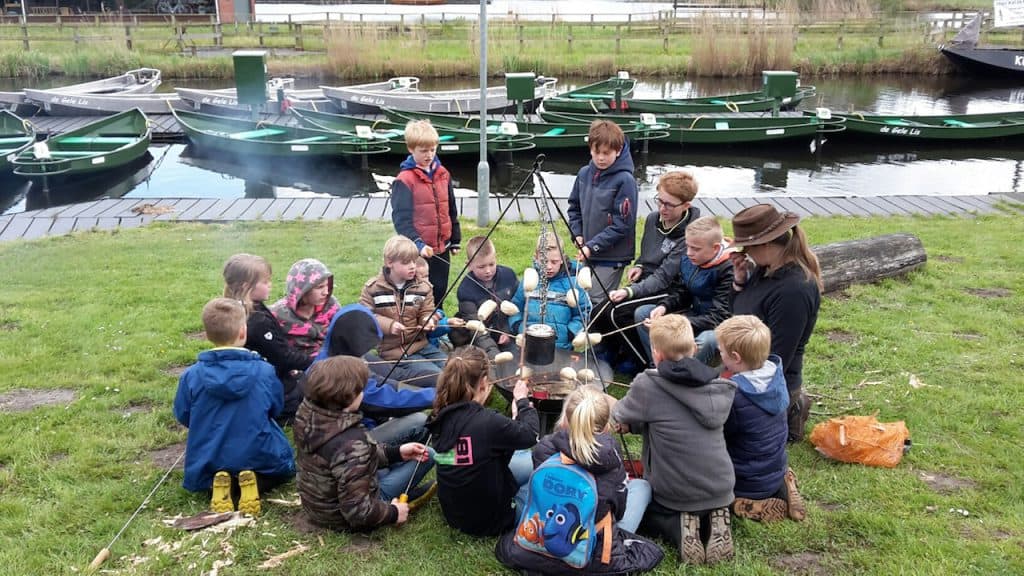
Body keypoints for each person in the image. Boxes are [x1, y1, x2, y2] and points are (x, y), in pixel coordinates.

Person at [494, 387, 664, 575]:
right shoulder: (610, 460)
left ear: (566, 419)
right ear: (606, 426)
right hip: (590, 553)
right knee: (641, 486)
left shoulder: (545, 448)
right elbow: (619, 510)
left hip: (540, 545)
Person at [612, 314, 737, 565]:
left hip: (673, 493)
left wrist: (624, 420)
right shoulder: (716, 385)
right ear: (694, 348)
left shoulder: (648, 384)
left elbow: (618, 414)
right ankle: (714, 515)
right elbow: (674, 417)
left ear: (655, 352)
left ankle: (680, 526)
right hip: (722, 486)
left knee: (643, 508)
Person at [174, 298, 295, 516]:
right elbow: (276, 408)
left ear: (207, 334)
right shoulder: (265, 371)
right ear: (243, 332)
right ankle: (253, 483)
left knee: (212, 471)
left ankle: (220, 484)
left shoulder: (191, 375)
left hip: (209, 456)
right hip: (259, 453)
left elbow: (183, 414)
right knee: (282, 468)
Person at [293, 356, 435, 532]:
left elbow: (344, 459)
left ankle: (395, 476)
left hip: (317, 503)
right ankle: (397, 499)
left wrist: (396, 453)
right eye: (361, 389)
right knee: (429, 455)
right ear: (350, 397)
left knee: (403, 454)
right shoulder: (350, 443)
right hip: (340, 517)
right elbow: (358, 512)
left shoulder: (308, 414)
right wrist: (393, 512)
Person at [729, 204, 822, 442]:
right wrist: (739, 283)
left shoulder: (794, 290)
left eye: (747, 247)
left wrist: (729, 381)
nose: (745, 253)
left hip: (769, 380)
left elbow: (776, 357)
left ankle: (790, 408)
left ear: (766, 244)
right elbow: (737, 315)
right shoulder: (765, 269)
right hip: (742, 363)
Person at [426, 346, 539, 537]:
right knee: (542, 471)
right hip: (493, 521)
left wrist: (512, 420)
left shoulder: (439, 414)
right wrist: (521, 402)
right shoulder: (488, 423)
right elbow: (531, 435)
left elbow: (476, 447)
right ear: (484, 383)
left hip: (455, 515)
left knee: (522, 458)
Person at [606, 171, 702, 371]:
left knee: (619, 313)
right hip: (648, 281)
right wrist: (640, 265)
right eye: (660, 201)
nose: (662, 208)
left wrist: (630, 291)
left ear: (686, 206)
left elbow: (664, 276)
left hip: (671, 289)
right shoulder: (652, 219)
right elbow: (647, 255)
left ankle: (642, 362)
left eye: (669, 204)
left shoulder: (688, 235)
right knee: (603, 309)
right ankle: (615, 351)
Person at [716, 315, 806, 523]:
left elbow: (719, 433)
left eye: (721, 351)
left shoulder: (735, 396)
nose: (719, 355)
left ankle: (751, 504)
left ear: (736, 357)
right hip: (775, 466)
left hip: (746, 479)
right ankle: (784, 486)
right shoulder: (776, 375)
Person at [311, 303, 435, 446]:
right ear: (354, 341)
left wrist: (436, 381)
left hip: (357, 426)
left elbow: (390, 379)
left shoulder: (337, 352)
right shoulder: (341, 376)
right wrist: (436, 396)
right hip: (353, 443)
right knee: (418, 420)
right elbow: (387, 400)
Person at [625, 216, 734, 366]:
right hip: (693, 315)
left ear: (715, 248)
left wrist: (675, 325)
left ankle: (685, 377)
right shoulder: (691, 258)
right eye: (688, 246)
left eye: (695, 249)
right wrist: (664, 306)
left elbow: (719, 317)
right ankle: (659, 366)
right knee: (643, 313)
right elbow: (682, 292)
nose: (688, 253)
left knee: (706, 340)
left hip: (719, 326)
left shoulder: (729, 269)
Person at [222, 253, 311, 425]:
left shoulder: (234, 308)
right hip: (273, 387)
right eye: (265, 282)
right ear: (247, 286)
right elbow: (283, 358)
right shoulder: (256, 321)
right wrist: (316, 362)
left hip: (253, 378)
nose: (270, 285)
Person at [567, 119, 638, 320]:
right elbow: (574, 208)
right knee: (577, 297)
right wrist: (578, 234)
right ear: (590, 148)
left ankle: (598, 345)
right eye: (596, 152)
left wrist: (593, 246)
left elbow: (622, 225)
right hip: (588, 251)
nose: (601, 158)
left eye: (606, 153)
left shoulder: (625, 181)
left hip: (612, 256)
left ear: (618, 150)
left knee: (595, 300)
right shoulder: (583, 173)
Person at [390, 119, 462, 309]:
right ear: (411, 149)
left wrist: (455, 238)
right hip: (419, 252)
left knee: (439, 290)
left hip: (442, 248)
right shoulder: (404, 180)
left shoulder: (444, 174)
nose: (429, 155)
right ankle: (418, 332)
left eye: (432, 150)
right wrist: (418, 244)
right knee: (419, 294)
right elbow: (401, 220)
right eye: (423, 151)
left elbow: (451, 209)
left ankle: (436, 330)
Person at [360, 235, 448, 387]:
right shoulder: (373, 289)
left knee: (451, 367)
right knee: (436, 376)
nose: (413, 266)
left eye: (414, 261)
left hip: (422, 345)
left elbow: (427, 310)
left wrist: (428, 320)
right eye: (407, 262)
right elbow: (365, 317)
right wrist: (389, 325)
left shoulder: (424, 287)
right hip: (393, 352)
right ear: (389, 262)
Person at [508, 232, 590, 352]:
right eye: (544, 261)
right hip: (529, 344)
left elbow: (584, 312)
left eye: (554, 262)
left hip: (560, 346)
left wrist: (571, 332)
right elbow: (515, 307)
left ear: (562, 258)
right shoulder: (529, 280)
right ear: (536, 257)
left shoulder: (573, 283)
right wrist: (519, 327)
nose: (549, 267)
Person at [450, 235, 519, 358]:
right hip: (479, 339)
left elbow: (518, 308)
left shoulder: (509, 276)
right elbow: (476, 329)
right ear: (469, 265)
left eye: (491, 264)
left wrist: (508, 333)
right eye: (481, 267)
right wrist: (493, 354)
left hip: (507, 332)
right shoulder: (466, 290)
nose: (488, 270)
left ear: (496, 259)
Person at [270, 258, 340, 359]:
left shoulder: (331, 305)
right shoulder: (279, 314)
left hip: (333, 359)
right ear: (302, 290)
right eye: (320, 287)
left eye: (327, 286)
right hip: (300, 365)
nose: (326, 292)